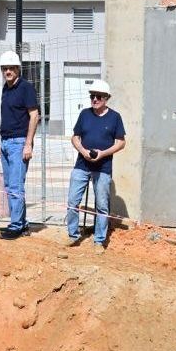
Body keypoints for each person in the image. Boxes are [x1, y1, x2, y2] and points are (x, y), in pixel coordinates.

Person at [65, 79, 125, 250]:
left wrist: (102, 154)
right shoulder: (84, 114)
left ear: (106, 98)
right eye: (92, 96)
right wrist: (83, 151)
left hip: (103, 167)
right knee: (72, 202)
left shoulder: (115, 117)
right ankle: (73, 235)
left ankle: (99, 240)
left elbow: (121, 142)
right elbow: (75, 137)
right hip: (82, 165)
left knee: (102, 206)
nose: (95, 99)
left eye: (99, 96)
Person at [0, 50, 40, 240]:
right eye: (5, 68)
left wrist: (28, 143)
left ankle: (16, 225)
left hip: (19, 142)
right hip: (6, 142)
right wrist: (1, 142)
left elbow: (34, 115)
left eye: (11, 68)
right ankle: (20, 223)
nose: (8, 71)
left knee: (16, 185)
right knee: (9, 185)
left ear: (17, 69)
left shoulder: (26, 88)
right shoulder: (5, 89)